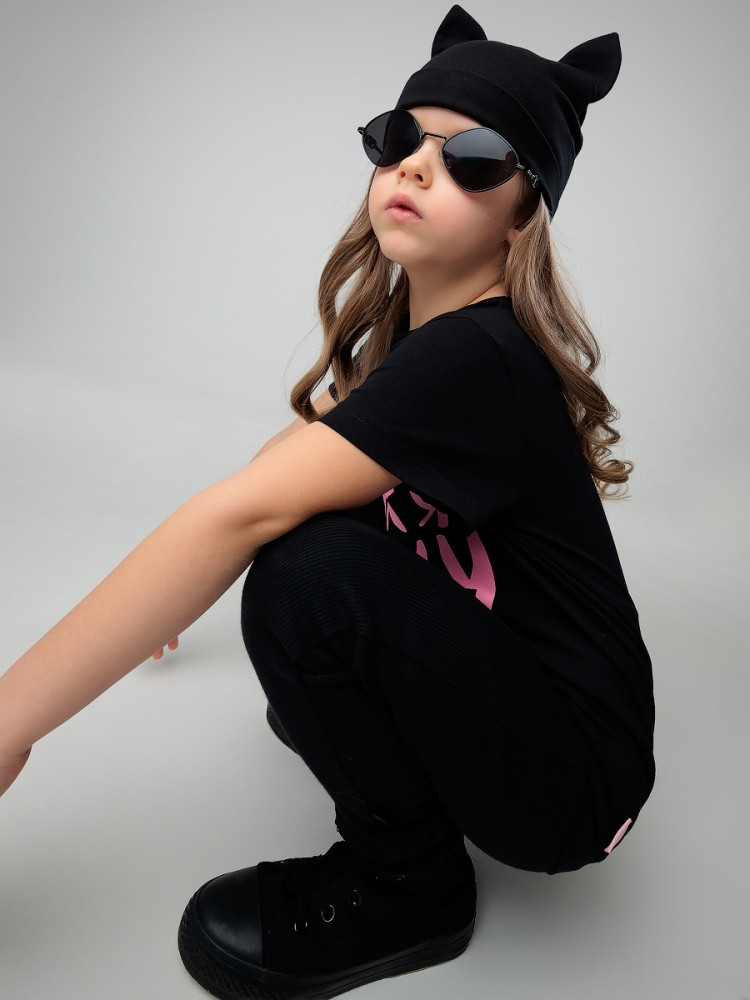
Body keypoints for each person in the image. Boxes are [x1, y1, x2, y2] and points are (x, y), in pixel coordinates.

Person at [0, 5, 656, 999]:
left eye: (474, 157)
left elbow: (245, 513)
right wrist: (176, 584)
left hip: (572, 783)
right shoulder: (432, 346)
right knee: (310, 522)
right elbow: (291, 463)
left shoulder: (477, 357)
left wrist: (11, 725)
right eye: (402, 139)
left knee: (305, 576)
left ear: (525, 212)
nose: (418, 168)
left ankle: (411, 883)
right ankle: (383, 738)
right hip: (537, 723)